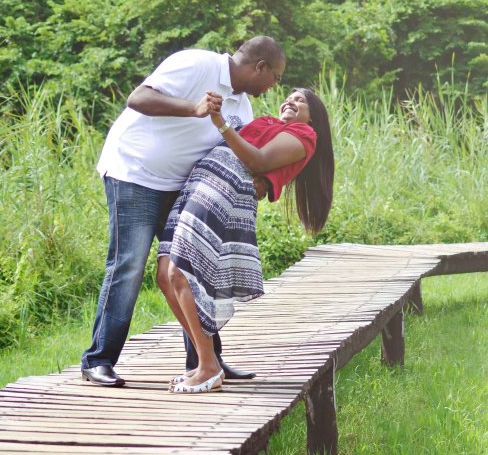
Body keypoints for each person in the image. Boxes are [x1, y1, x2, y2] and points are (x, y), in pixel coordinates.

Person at [81, 37, 285, 387]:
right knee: (128, 265)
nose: (274, 85)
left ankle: (208, 361)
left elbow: (238, 154)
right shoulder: (197, 64)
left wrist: (265, 183)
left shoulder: (243, 107)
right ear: (260, 67)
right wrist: (193, 108)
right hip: (134, 173)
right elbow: (138, 98)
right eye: (275, 76)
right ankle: (98, 360)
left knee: (190, 267)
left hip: (181, 185)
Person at [159, 88, 335, 393]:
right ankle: (206, 361)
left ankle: (208, 367)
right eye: (289, 97)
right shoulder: (266, 122)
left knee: (182, 272)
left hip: (224, 189)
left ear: (313, 117)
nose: (291, 101)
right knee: (164, 274)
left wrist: (220, 121)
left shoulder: (304, 135)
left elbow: (258, 161)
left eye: (301, 100)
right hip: (201, 182)